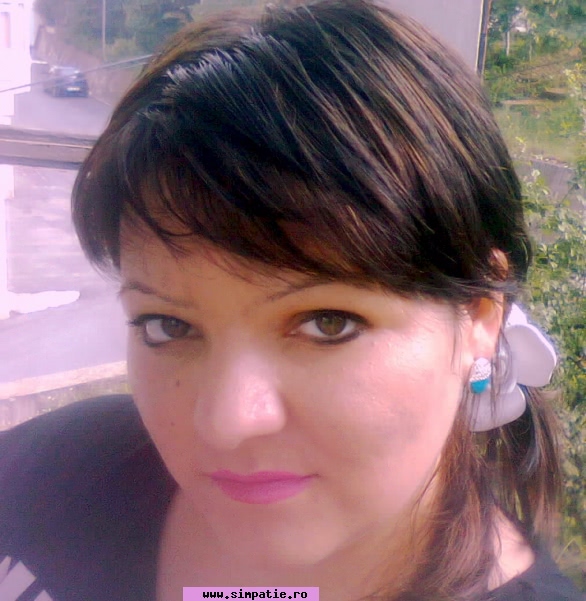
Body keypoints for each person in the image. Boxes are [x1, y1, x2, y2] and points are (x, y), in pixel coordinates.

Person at [0, 1, 583, 600]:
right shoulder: (53, 474)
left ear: (481, 314)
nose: (226, 422)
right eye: (168, 326)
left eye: (328, 324)